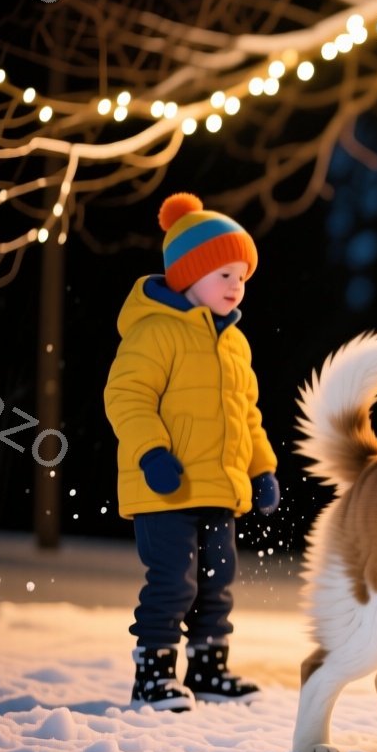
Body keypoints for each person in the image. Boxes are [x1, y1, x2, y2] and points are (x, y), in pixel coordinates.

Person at [105, 192, 279, 711]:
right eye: (223, 274)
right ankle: (154, 673)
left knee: (216, 582)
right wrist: (152, 453)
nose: (236, 284)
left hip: (219, 487)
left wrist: (261, 466)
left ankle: (207, 668)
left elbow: (247, 412)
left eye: (241, 275)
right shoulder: (156, 332)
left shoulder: (234, 343)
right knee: (172, 581)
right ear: (186, 275)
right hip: (166, 486)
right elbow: (126, 396)